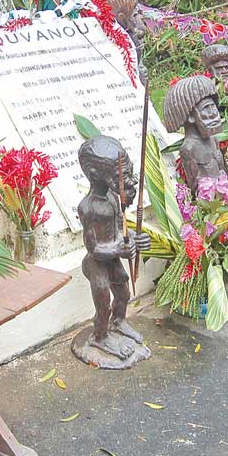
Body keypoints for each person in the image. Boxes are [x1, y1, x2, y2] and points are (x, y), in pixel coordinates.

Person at [73, 135, 152, 368]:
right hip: (97, 264)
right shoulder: (88, 207)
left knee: (124, 293)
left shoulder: (113, 198)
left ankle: (119, 322)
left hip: (113, 259)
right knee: (103, 303)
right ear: (96, 174)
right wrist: (119, 248)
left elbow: (119, 230)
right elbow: (93, 247)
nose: (127, 180)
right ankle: (100, 336)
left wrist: (135, 239)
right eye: (120, 175)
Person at [163, 75, 228, 192]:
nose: (214, 113)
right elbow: (194, 185)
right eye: (206, 108)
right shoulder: (189, 149)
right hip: (207, 200)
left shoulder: (213, 140)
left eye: (213, 106)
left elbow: (222, 169)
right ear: (191, 117)